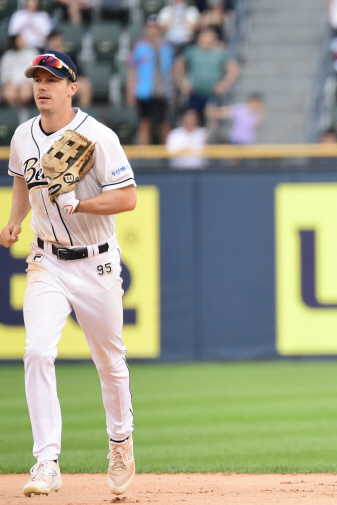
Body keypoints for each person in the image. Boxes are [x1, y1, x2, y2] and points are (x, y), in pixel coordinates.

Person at [0, 51, 137, 497]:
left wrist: (83, 204)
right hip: (48, 260)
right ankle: (46, 461)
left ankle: (120, 441)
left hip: (96, 262)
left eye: (52, 79)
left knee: (109, 361)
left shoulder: (97, 136)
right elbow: (22, 178)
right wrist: (16, 219)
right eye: (37, 79)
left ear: (71, 87)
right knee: (38, 351)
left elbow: (127, 197)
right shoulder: (22, 136)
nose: (43, 86)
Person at [127, 16, 176, 145]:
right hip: (144, 91)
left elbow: (171, 71)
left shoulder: (167, 47)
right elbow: (132, 71)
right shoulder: (139, 47)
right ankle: (144, 155)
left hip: (163, 90)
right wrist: (131, 91)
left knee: (164, 123)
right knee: (144, 122)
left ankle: (167, 154)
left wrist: (172, 92)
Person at [174, 27, 239, 120]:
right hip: (194, 93)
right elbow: (178, 66)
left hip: (212, 94)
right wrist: (182, 83)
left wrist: (225, 84)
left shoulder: (220, 53)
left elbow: (233, 69)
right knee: (192, 118)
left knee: (212, 118)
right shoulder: (191, 51)